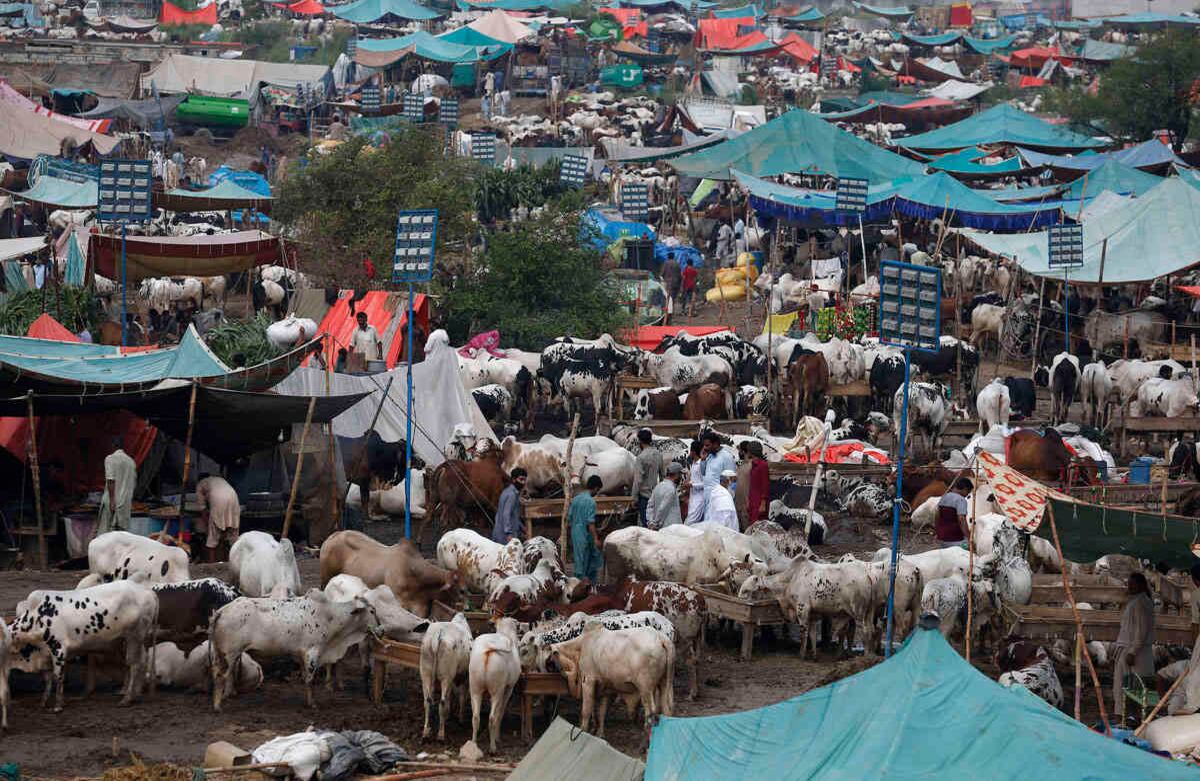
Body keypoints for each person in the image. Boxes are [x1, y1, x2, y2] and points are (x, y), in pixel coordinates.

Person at [1112, 572, 1156, 722]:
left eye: (1133, 584)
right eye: (1128, 583)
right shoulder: (1138, 601)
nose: (1129, 586)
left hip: (1134, 651)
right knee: (1130, 687)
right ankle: (1128, 717)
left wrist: (1132, 652)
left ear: (1141, 585)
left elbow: (1141, 630)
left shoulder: (1141, 603)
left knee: (1132, 686)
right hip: (1131, 648)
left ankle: (1127, 718)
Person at [196, 474, 240, 563]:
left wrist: (207, 525)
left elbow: (202, 508)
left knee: (213, 536)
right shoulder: (219, 480)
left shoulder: (200, 484)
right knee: (232, 532)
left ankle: (212, 564)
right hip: (233, 497)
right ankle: (233, 562)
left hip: (218, 500)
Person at [97, 438, 136, 534]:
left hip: (112, 504)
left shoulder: (110, 459)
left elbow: (111, 479)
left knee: (105, 535)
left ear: (113, 446)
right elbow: (134, 483)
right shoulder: (131, 462)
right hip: (125, 506)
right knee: (121, 536)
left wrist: (112, 501)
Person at [569, 475, 604, 581]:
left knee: (579, 560)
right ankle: (586, 585)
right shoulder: (591, 502)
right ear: (596, 488)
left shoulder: (575, 499)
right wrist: (596, 539)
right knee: (589, 560)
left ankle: (578, 582)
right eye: (598, 490)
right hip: (585, 534)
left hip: (575, 533)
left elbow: (569, 518)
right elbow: (591, 523)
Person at [630, 428, 664, 527]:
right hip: (655, 494)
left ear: (640, 441)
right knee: (654, 522)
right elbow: (662, 475)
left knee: (645, 523)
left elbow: (638, 480)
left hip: (644, 496)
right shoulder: (658, 454)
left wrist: (634, 498)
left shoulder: (641, 458)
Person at [700, 431, 736, 513]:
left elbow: (732, 481)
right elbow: (703, 473)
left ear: (715, 444)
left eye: (707, 445)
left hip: (720, 500)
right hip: (708, 497)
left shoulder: (726, 457)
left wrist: (727, 501)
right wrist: (703, 460)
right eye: (704, 445)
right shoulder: (709, 456)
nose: (705, 448)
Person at [492, 468, 526, 543]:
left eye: (524, 480)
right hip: (504, 536)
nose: (523, 482)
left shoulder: (507, 491)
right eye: (521, 479)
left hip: (499, 532)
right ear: (514, 479)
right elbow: (506, 514)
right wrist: (508, 533)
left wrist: (522, 528)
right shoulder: (512, 495)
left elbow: (513, 516)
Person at [935, 478, 971, 547]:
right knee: (968, 546)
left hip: (941, 538)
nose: (967, 495)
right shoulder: (961, 500)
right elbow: (961, 520)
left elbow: (937, 516)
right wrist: (969, 538)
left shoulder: (944, 496)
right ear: (965, 489)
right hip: (955, 539)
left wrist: (937, 532)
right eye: (968, 492)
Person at [646, 462, 684, 530]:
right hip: (672, 529)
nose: (681, 477)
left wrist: (650, 521)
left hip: (660, 529)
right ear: (676, 475)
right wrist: (655, 523)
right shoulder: (671, 489)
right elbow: (662, 508)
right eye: (680, 475)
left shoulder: (658, 486)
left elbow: (650, 506)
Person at [746, 440, 770, 526]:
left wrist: (763, 504)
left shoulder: (763, 465)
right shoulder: (753, 464)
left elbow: (765, 485)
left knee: (758, 525)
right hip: (753, 499)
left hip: (759, 502)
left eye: (748, 450)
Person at [685, 440, 706, 524]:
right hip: (693, 496)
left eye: (691, 450)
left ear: (693, 452)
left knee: (689, 523)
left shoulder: (701, 464)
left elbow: (705, 483)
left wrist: (692, 485)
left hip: (699, 498)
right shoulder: (693, 463)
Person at [734, 442, 751, 528]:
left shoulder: (751, 465)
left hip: (746, 504)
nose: (738, 452)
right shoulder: (740, 465)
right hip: (738, 504)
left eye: (739, 450)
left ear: (743, 451)